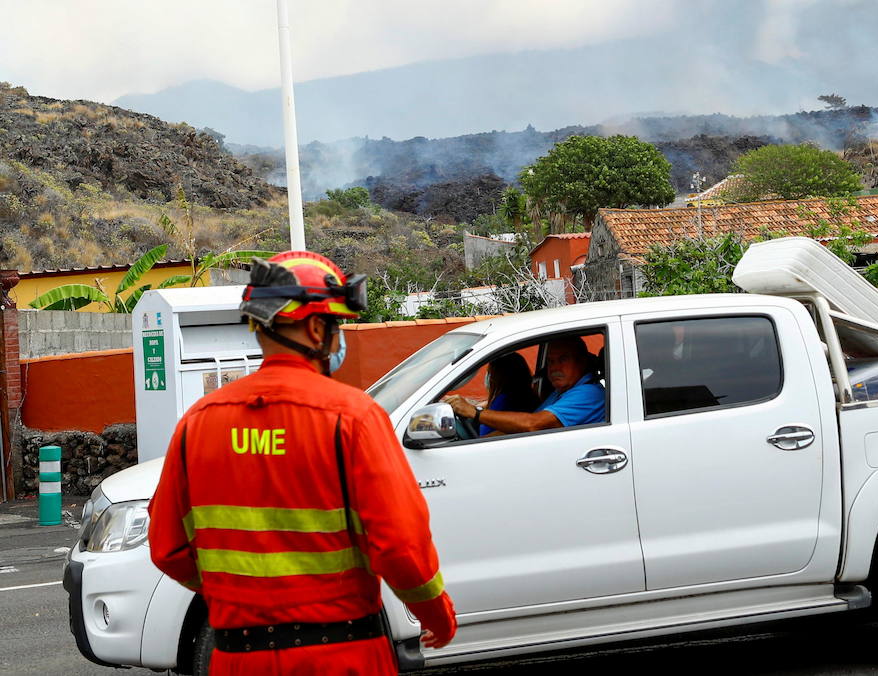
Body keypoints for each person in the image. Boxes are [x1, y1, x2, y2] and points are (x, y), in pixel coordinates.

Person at [147, 251, 457, 675]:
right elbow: (401, 546)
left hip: (236, 660)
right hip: (340, 655)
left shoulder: (197, 424)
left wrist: (241, 595)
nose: (338, 338)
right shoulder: (352, 417)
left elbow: (168, 549)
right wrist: (435, 614)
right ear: (315, 328)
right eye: (337, 326)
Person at [445, 336, 604, 434]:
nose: (554, 367)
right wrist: (482, 442)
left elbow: (533, 424)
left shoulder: (588, 393)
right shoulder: (562, 392)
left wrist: (475, 413)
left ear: (582, 361)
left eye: (563, 359)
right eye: (550, 361)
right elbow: (517, 428)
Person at [477, 352, 539, 436]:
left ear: (499, 376)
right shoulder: (524, 397)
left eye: (490, 373)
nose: (488, 377)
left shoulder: (505, 400)